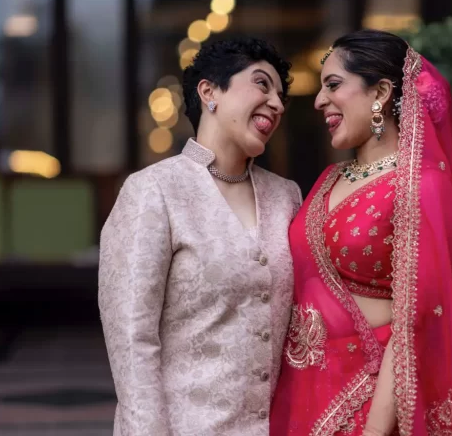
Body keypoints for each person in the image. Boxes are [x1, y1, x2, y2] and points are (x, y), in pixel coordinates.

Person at [269, 30, 452, 435]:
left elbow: (413, 324)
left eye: (334, 85)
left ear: (380, 92)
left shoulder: (420, 186)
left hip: (369, 403)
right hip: (302, 394)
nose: (319, 100)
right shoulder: (329, 179)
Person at [97, 37, 303, 435]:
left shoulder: (286, 196)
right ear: (209, 92)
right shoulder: (154, 191)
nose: (276, 103)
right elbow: (131, 341)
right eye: (262, 84)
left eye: (281, 96)